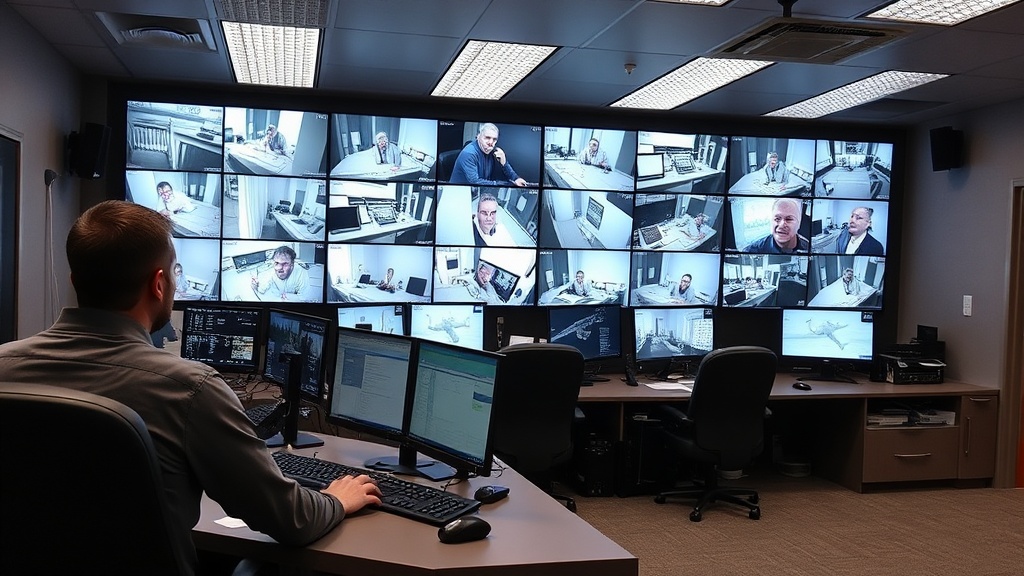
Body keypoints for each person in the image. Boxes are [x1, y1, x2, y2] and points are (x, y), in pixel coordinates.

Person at [0, 201, 382, 574]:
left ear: (74, 280)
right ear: (160, 283)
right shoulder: (190, 389)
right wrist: (335, 499)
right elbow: (291, 521)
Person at [450, 122, 528, 187]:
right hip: (458, 191)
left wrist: (515, 178)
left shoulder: (492, 150)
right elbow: (475, 182)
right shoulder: (469, 154)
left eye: (494, 139)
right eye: (487, 137)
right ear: (478, 136)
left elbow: (510, 173)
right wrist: (508, 184)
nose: (491, 143)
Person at [743, 198, 809, 254]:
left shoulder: (808, 248)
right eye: (777, 219)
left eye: (789, 219)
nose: (782, 224)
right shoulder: (751, 251)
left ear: (798, 224)